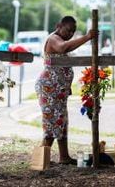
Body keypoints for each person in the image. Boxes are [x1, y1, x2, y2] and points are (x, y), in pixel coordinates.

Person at [35, 16, 97, 165]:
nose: (71, 34)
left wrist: (66, 87)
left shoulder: (61, 39)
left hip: (59, 90)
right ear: (59, 25)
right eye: (69, 30)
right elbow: (63, 47)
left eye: (73, 32)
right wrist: (87, 37)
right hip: (49, 89)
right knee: (51, 122)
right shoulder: (53, 39)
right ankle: (41, 159)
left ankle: (64, 157)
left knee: (62, 122)